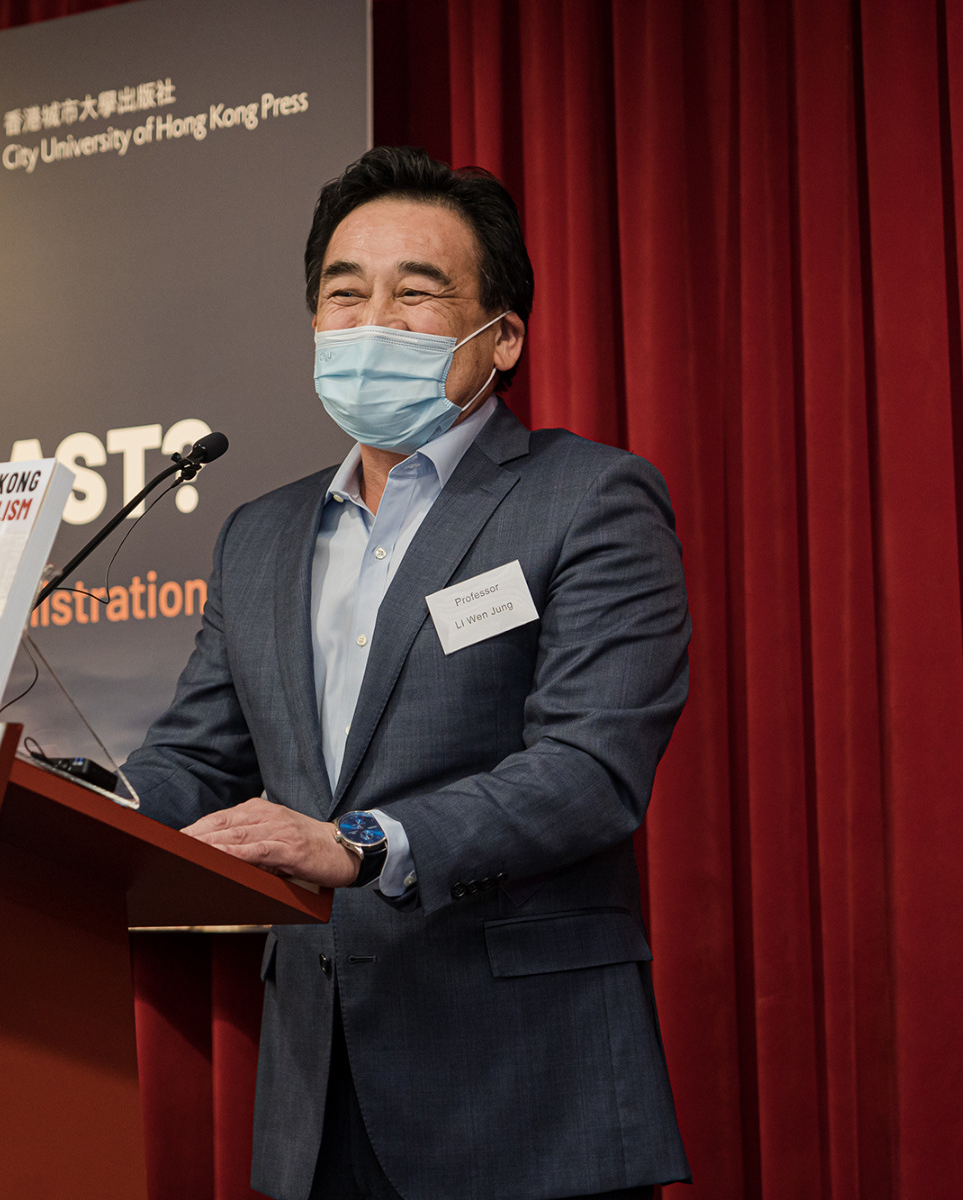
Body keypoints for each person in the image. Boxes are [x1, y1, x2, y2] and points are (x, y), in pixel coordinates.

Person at [120, 147, 692, 1200]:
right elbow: (196, 761)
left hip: (527, 1088)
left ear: (502, 336)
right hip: (318, 1090)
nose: (371, 322)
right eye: (346, 295)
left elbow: (589, 770)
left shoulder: (588, 499)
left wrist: (361, 843)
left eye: (414, 294)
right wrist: (75, 799)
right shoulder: (260, 536)